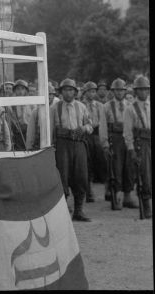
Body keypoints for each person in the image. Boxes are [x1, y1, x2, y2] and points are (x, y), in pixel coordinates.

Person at [52, 79, 93, 222]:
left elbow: (90, 124)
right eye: (65, 90)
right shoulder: (55, 108)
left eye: (70, 90)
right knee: (63, 175)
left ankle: (78, 210)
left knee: (80, 175)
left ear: (75, 92)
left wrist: (84, 128)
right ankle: (62, 212)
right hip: (62, 145)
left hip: (79, 144)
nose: (68, 92)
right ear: (61, 92)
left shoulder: (81, 107)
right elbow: (51, 129)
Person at [99, 78, 138, 210]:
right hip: (114, 139)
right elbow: (103, 126)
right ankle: (117, 196)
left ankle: (128, 196)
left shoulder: (131, 105)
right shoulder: (106, 106)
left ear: (125, 91)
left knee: (129, 168)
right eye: (117, 90)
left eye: (121, 90)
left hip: (128, 138)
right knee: (115, 168)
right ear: (113, 91)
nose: (119, 93)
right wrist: (104, 143)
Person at [124, 75, 152, 218]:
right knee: (145, 175)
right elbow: (127, 132)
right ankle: (146, 205)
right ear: (135, 91)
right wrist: (131, 149)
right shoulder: (130, 109)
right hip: (141, 143)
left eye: (145, 89)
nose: (143, 92)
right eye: (140, 90)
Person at [81, 82, 107, 202]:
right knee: (87, 163)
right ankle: (88, 191)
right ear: (85, 93)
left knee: (102, 161)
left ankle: (107, 190)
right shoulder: (81, 105)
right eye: (89, 91)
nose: (92, 94)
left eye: (93, 91)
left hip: (98, 134)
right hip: (86, 135)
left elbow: (103, 122)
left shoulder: (100, 106)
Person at [6, 79, 35, 150]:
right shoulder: (11, 105)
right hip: (18, 134)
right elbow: (9, 122)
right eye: (18, 89)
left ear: (26, 91)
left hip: (30, 132)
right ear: (15, 91)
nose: (20, 91)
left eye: (22, 89)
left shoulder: (32, 104)